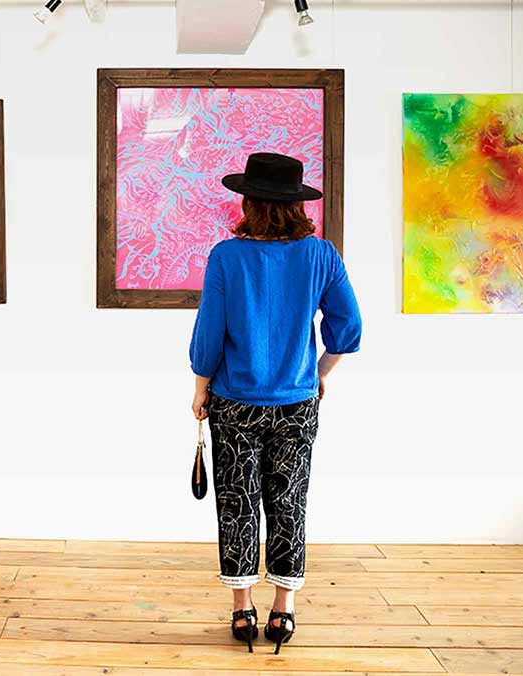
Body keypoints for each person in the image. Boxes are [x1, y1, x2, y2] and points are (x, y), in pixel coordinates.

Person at [190, 152, 362, 654]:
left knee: (237, 501)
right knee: (289, 501)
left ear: (249, 202)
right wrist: (320, 372)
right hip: (297, 401)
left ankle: (242, 607)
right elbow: (349, 326)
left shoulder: (226, 256)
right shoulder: (320, 255)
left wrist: (199, 387)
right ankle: (283, 610)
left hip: (234, 400)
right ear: (296, 204)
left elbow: (209, 334)